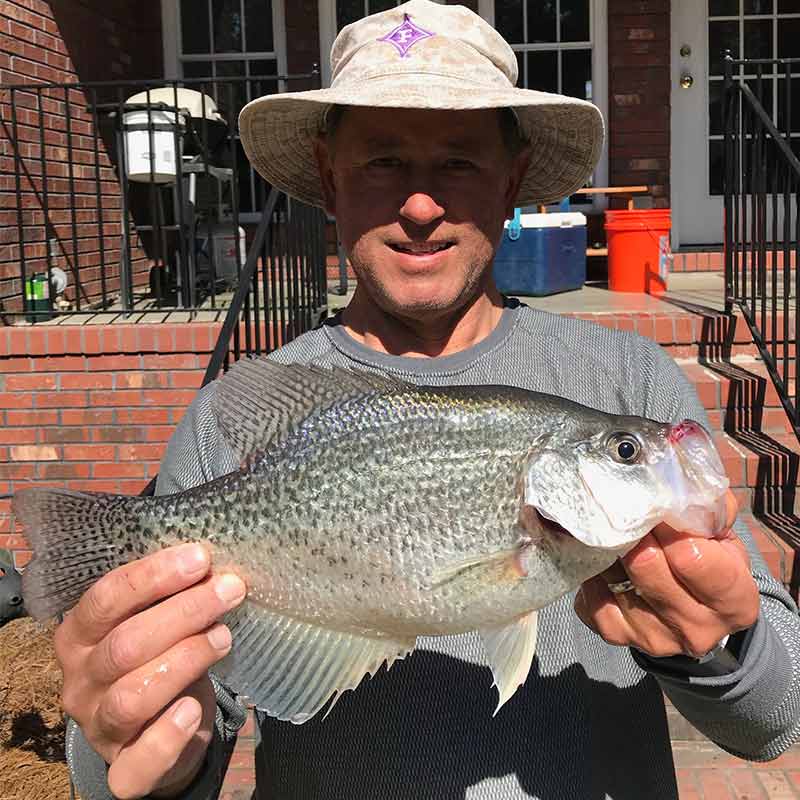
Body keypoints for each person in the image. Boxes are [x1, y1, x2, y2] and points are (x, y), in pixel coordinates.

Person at [60, 2, 799, 798]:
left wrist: (714, 648)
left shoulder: (627, 377)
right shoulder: (227, 422)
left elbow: (776, 717)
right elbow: (170, 734)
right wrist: (137, 749)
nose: (419, 204)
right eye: (381, 161)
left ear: (512, 180)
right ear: (328, 177)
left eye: (458, 162)